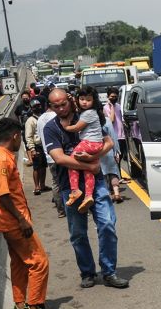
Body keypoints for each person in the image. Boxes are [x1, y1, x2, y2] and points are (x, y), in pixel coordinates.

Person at [44, 88, 129, 290]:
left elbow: (108, 142)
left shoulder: (89, 116)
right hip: (70, 187)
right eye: (56, 106)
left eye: (64, 104)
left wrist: (94, 157)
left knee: (107, 224)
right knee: (78, 232)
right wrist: (90, 165)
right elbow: (59, 158)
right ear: (51, 107)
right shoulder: (51, 128)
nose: (61, 108)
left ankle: (109, 271)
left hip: (97, 183)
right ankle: (88, 272)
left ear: (70, 100)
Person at [0, 117, 61, 309]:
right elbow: (3, 194)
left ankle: (20, 306)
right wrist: (21, 220)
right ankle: (35, 307)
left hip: (8, 222)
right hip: (13, 222)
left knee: (20, 263)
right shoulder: (1, 160)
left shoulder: (2, 156)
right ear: (16, 136)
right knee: (39, 262)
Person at [59, 86, 105, 213]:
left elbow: (77, 128)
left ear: (94, 101)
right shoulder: (89, 112)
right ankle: (88, 196)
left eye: (88, 100)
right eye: (82, 99)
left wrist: (66, 126)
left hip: (89, 143)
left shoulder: (89, 113)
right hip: (95, 145)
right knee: (86, 168)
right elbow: (77, 108)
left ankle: (75, 190)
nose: (84, 102)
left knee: (72, 162)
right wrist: (72, 99)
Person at [34, 95, 65, 218]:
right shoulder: (56, 117)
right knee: (67, 182)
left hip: (49, 156)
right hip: (61, 154)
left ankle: (60, 210)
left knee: (56, 183)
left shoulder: (40, 119)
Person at [24, 97, 52, 195]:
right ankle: (36, 187)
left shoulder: (43, 117)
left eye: (39, 106)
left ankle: (43, 185)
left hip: (43, 145)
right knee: (36, 167)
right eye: (35, 106)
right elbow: (28, 136)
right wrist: (32, 149)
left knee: (43, 166)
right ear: (31, 108)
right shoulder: (30, 121)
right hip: (36, 146)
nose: (38, 107)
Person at [103, 87, 127, 177]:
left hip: (122, 136)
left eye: (115, 96)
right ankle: (116, 177)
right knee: (115, 157)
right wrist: (112, 107)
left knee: (120, 157)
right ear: (108, 97)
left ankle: (119, 176)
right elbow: (111, 120)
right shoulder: (105, 108)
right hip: (113, 136)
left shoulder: (119, 106)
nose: (114, 98)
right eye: (112, 96)